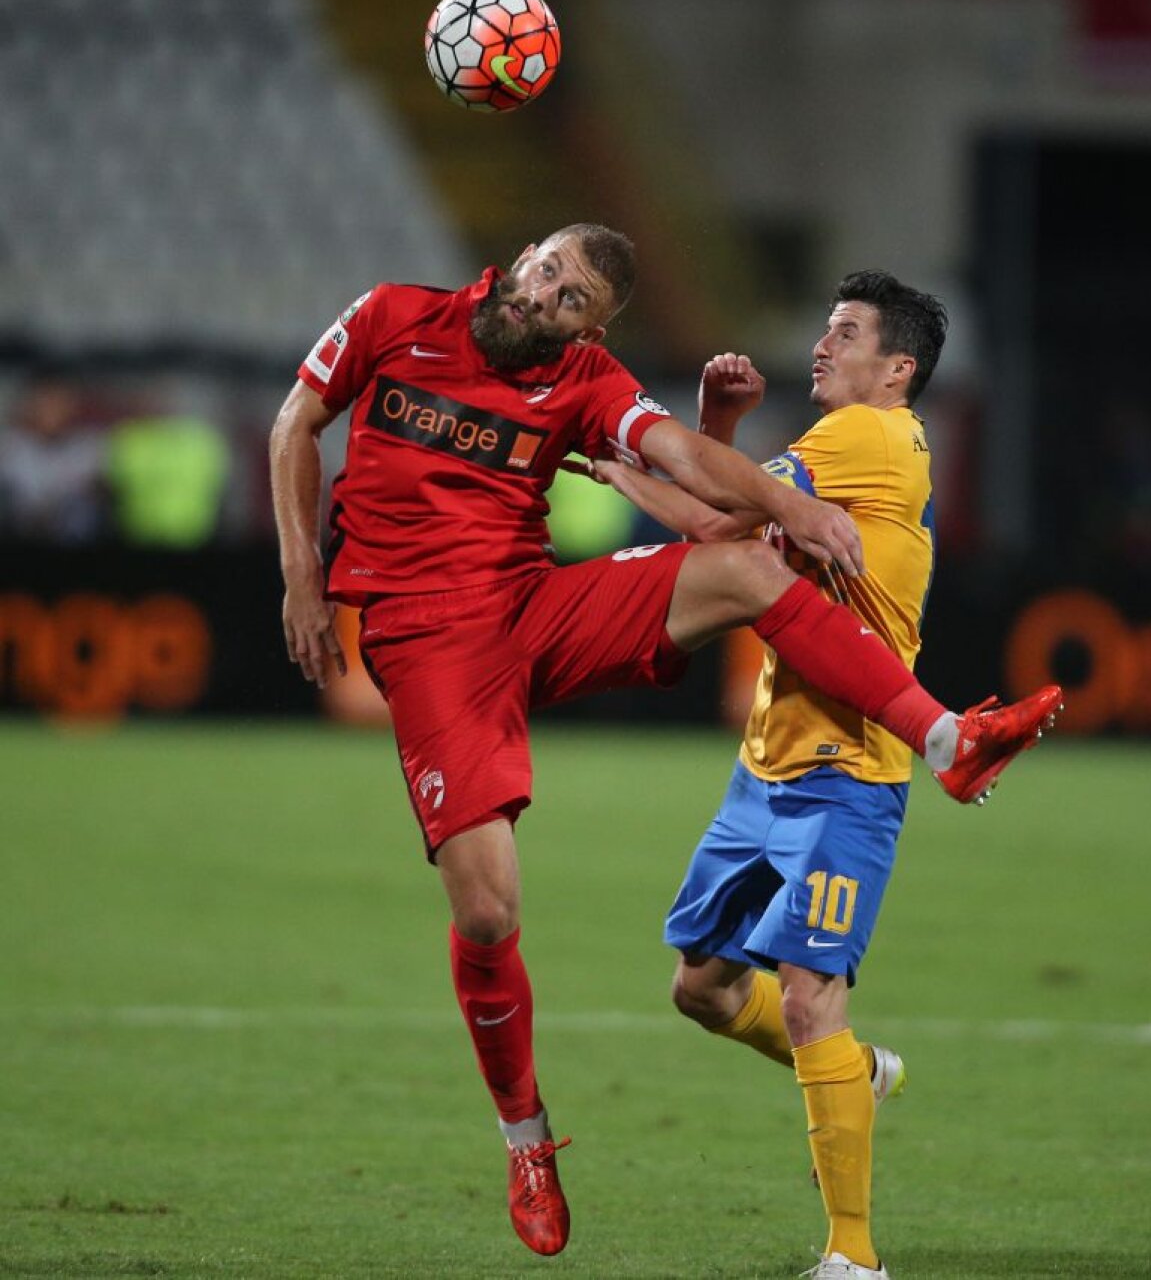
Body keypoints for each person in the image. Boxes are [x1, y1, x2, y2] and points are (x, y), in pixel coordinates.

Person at [268, 226, 1061, 1260]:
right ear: (519, 259)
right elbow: (296, 422)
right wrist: (298, 572)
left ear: (589, 328)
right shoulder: (392, 316)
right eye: (546, 270)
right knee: (492, 908)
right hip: (428, 647)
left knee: (746, 574)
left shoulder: (587, 379)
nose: (547, 296)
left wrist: (770, 499)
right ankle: (527, 1140)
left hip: (531, 608)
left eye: (571, 298)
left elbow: (684, 469)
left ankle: (946, 735)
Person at [591, 271, 1029, 1279]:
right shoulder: (846, 451)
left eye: (845, 333)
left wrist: (642, 449)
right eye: (826, 330)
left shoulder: (869, 435)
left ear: (898, 368)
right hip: (767, 765)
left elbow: (710, 504)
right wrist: (700, 440)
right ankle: (857, 1075)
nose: (823, 346)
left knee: (804, 1001)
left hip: (850, 774)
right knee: (700, 988)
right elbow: (727, 529)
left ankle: (853, 1257)